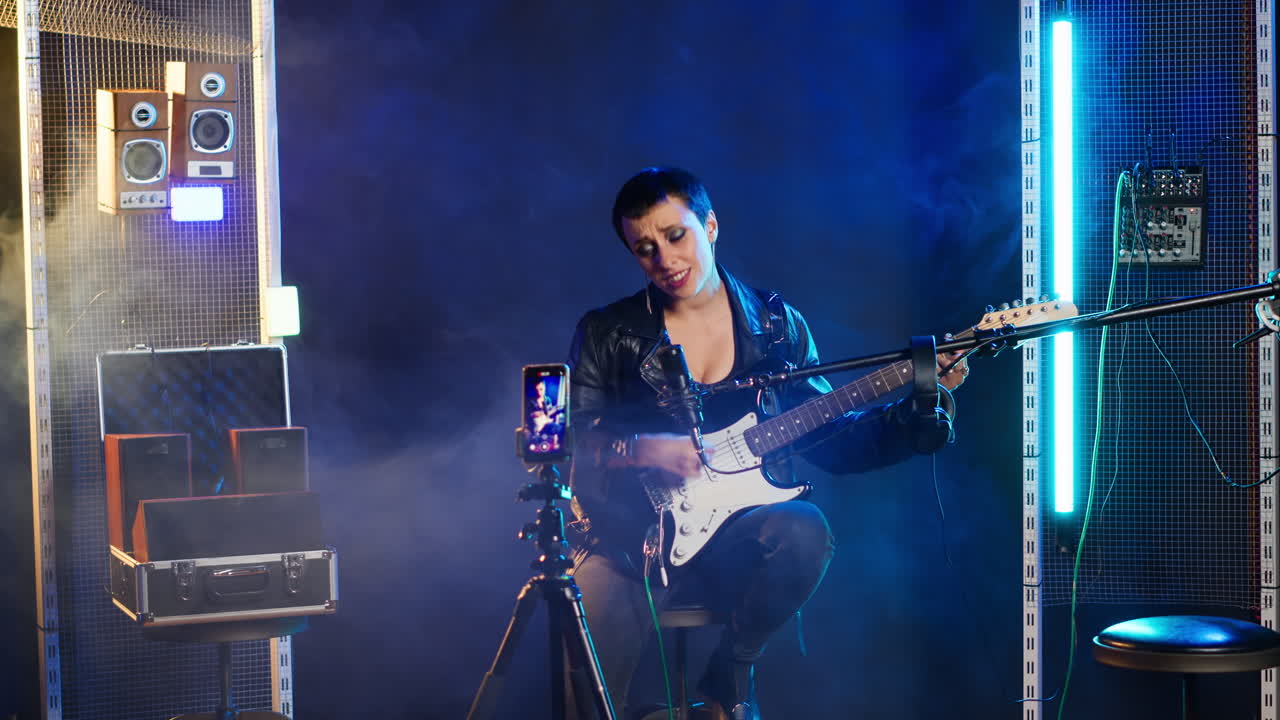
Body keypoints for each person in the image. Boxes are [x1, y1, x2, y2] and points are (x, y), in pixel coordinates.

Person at [566, 167, 967, 720]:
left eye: (675, 235)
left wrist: (919, 405)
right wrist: (645, 448)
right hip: (629, 536)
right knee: (586, 691)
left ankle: (730, 673)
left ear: (709, 226)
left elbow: (836, 436)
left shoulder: (776, 326)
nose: (664, 259)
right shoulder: (608, 332)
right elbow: (573, 440)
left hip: (736, 539)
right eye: (645, 248)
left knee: (806, 532)